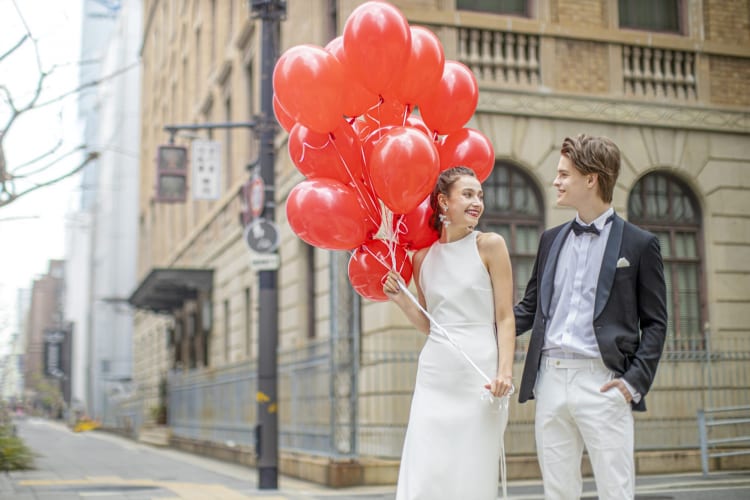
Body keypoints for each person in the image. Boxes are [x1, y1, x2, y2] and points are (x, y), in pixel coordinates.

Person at [514, 134, 668, 500]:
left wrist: (631, 383)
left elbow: (656, 323)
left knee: (616, 491)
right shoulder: (550, 240)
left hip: (603, 383)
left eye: (564, 174)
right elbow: (530, 309)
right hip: (550, 380)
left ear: (591, 179)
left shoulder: (640, 244)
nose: (556, 181)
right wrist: (481, 326)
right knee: (558, 492)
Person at [383, 166, 516, 500]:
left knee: (471, 470)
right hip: (435, 375)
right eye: (468, 194)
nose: (477, 202)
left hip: (479, 374)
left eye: (480, 196)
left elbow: (504, 316)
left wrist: (504, 372)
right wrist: (400, 299)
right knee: (428, 469)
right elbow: (432, 324)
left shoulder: (490, 246)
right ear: (443, 202)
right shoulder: (421, 259)